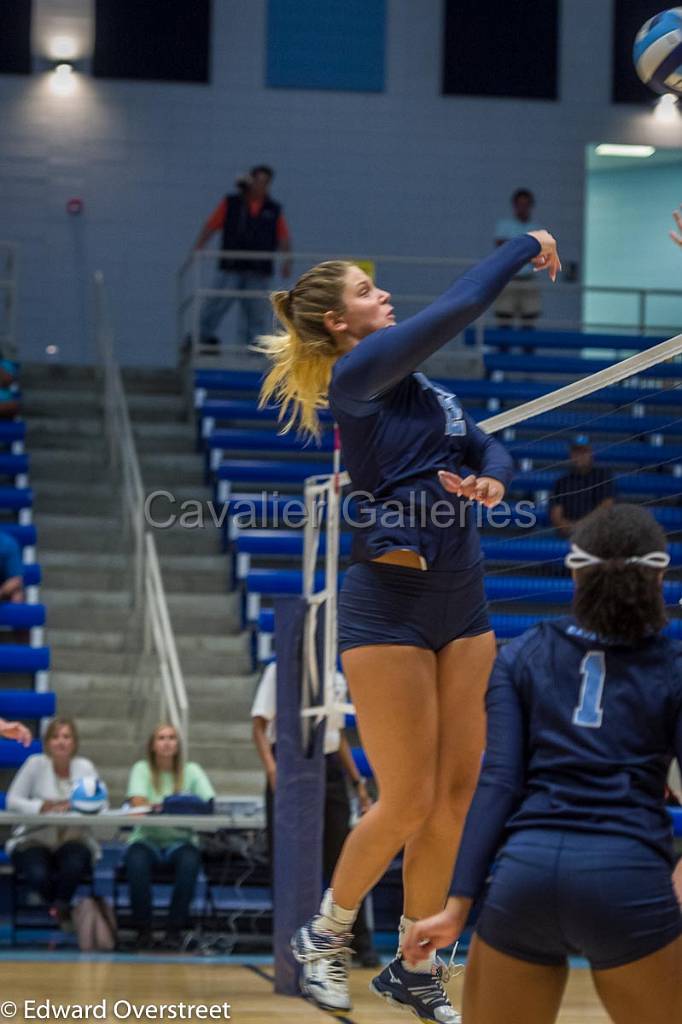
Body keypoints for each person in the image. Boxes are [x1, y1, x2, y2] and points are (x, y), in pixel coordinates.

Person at [255, 229, 561, 1018]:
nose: (381, 295)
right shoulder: (357, 377)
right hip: (386, 604)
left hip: (464, 601)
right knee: (408, 800)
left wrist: (491, 484)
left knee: (457, 797)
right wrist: (523, 243)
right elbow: (462, 304)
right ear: (338, 324)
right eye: (366, 291)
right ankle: (323, 935)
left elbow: (494, 450)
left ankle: (418, 965)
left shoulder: (431, 394)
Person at [403, 503, 682, 1024]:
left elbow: (498, 784)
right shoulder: (672, 667)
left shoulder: (522, 655)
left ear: (574, 573)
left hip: (523, 881)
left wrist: (457, 907)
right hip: (627, 880)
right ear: (660, 577)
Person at [251, 660, 379, 968]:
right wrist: (272, 770)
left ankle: (358, 942)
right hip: (290, 762)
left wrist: (357, 782)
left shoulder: (335, 678)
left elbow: (338, 737)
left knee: (342, 859)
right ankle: (291, 943)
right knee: (287, 860)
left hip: (330, 765)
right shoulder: (279, 671)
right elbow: (258, 725)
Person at [124, 723, 215, 949]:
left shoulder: (191, 770)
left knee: (190, 862)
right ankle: (143, 931)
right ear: (153, 745)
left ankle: (174, 931)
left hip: (180, 840)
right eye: (161, 738)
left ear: (178, 744)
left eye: (172, 738)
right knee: (135, 862)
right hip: (145, 839)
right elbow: (137, 803)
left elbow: (208, 803)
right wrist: (178, 804)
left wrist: (160, 806)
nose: (167, 742)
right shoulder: (141, 768)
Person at [5, 717, 101, 929]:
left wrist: (78, 807)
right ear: (47, 742)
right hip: (34, 838)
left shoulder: (85, 767)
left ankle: (59, 908)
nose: (61, 742)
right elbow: (12, 800)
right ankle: (63, 911)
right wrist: (41, 806)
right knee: (38, 873)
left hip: (73, 837)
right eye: (56, 737)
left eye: (66, 737)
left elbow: (102, 804)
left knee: (74, 864)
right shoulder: (34, 764)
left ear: (74, 742)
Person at [193, 165, 292, 348]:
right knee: (217, 302)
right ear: (251, 181)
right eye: (258, 181)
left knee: (255, 310)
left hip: (258, 269)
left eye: (265, 182)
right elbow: (211, 225)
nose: (260, 186)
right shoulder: (232, 203)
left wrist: (287, 260)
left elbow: (283, 236)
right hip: (232, 265)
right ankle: (202, 337)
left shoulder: (273, 209)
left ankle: (253, 346)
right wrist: (198, 248)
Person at [494, 188, 544, 329]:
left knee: (529, 323)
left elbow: (540, 255)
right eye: (519, 204)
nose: (522, 208)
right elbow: (502, 250)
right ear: (514, 205)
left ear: (531, 206)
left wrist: (516, 249)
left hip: (528, 279)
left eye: (526, 204)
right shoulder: (504, 225)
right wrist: (527, 252)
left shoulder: (537, 228)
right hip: (508, 279)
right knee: (504, 322)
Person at [549, 434, 614, 538]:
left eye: (583, 452)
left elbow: (606, 506)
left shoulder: (602, 476)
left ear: (591, 454)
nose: (580, 456)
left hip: (596, 532)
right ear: (571, 455)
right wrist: (570, 528)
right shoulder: (562, 482)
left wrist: (581, 526)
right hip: (569, 534)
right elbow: (556, 515)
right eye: (576, 452)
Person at [0, 530, 24, 603]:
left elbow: (16, 579)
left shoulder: (7, 544)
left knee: (17, 594)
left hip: (1, 591)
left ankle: (15, 613)